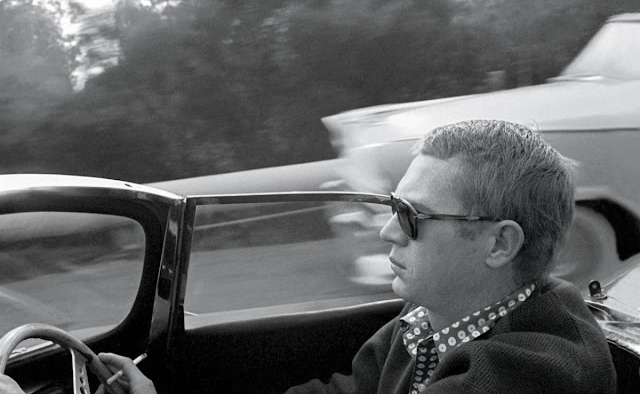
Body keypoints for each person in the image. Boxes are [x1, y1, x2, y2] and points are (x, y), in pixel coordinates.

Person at [0, 120, 616, 393]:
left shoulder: (526, 373)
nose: (387, 233)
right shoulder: (424, 324)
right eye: (390, 208)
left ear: (499, 244)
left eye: (412, 216)